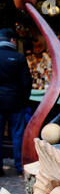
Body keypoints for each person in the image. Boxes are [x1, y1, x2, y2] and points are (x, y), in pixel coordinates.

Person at [0, 28, 32, 176]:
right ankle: (20, 168)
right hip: (16, 102)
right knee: (18, 134)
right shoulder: (19, 58)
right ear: (12, 40)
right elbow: (26, 83)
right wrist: (24, 101)